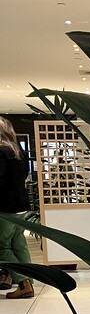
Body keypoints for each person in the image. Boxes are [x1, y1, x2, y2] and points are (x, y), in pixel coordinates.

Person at [0, 117, 34, 300]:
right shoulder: (18, 151)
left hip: (5, 205)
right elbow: (25, 174)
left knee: (2, 246)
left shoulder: (1, 151)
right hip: (22, 203)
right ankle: (30, 280)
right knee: (18, 242)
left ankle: (23, 282)